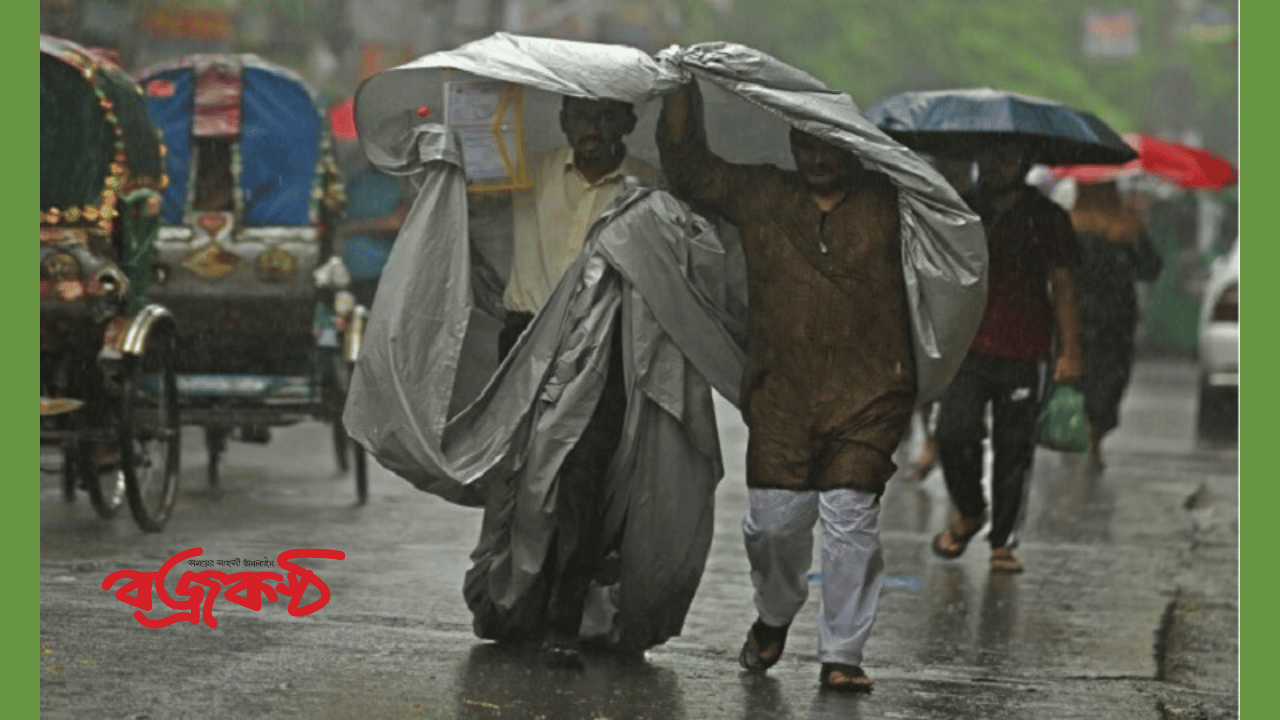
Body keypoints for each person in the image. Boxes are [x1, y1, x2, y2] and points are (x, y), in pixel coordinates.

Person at [657, 79, 916, 693]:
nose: (818, 157)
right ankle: (775, 613)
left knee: (852, 520)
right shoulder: (763, 193)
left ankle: (842, 655)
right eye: (807, 143)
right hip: (781, 395)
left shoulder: (894, 201)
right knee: (776, 525)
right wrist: (677, 93)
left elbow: (956, 240)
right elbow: (691, 172)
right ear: (792, 143)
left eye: (830, 145)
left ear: (853, 147)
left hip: (871, 393)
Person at [474, 95, 661, 669]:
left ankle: (564, 616)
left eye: (608, 118)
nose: (593, 131)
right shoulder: (527, 169)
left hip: (603, 348)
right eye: (582, 117)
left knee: (581, 479)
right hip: (525, 342)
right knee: (522, 480)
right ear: (564, 122)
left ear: (628, 125)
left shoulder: (647, 189)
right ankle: (511, 601)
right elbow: (464, 191)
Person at [930, 143, 1083, 574]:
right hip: (966, 346)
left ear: (1024, 163)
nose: (994, 163)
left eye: (1005, 156)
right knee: (953, 434)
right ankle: (971, 511)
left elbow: (1064, 285)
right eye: (988, 155)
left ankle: (1003, 541)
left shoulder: (1048, 218)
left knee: (1013, 449)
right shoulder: (962, 208)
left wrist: (1070, 351)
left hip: (1025, 348)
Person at [1068, 180, 1162, 470]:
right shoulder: (1128, 227)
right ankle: (1094, 435)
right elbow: (1151, 269)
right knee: (1110, 379)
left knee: (1079, 375)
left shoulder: (1069, 224)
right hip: (1117, 318)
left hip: (1077, 314)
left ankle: (1081, 426)